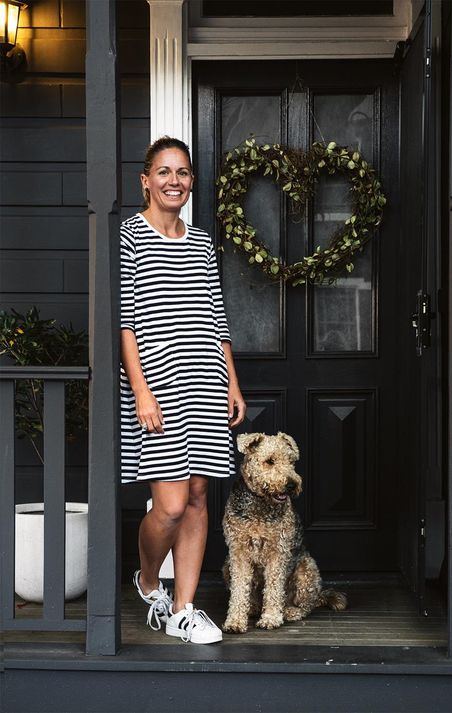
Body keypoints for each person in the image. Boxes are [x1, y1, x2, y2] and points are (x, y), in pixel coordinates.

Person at [120, 136, 246, 644]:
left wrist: (232, 383)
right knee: (168, 507)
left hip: (207, 384)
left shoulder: (202, 241)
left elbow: (218, 321)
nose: (175, 180)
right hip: (159, 387)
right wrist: (141, 392)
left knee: (197, 498)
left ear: (192, 182)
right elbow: (127, 323)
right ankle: (149, 581)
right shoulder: (129, 235)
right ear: (145, 180)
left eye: (184, 172)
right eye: (164, 171)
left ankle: (184, 608)